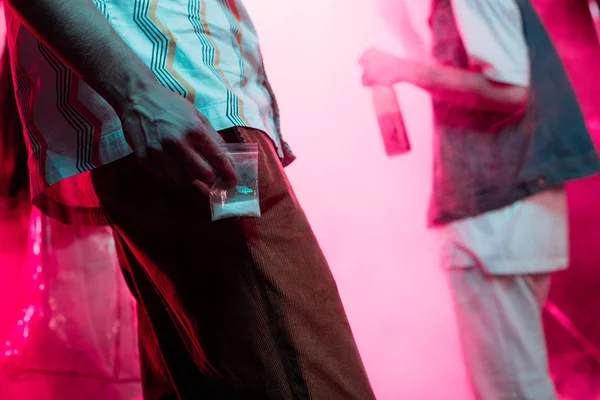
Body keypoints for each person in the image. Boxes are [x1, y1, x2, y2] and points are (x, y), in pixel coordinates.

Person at [3, 1, 376, 399]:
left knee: (209, 379)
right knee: (306, 374)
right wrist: (138, 94)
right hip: (196, 122)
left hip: (185, 116)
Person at [360, 0, 600, 399]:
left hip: (495, 212)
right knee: (516, 380)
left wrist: (403, 69)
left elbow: (509, 88)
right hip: (505, 208)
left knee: (511, 390)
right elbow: (465, 82)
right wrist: (406, 33)